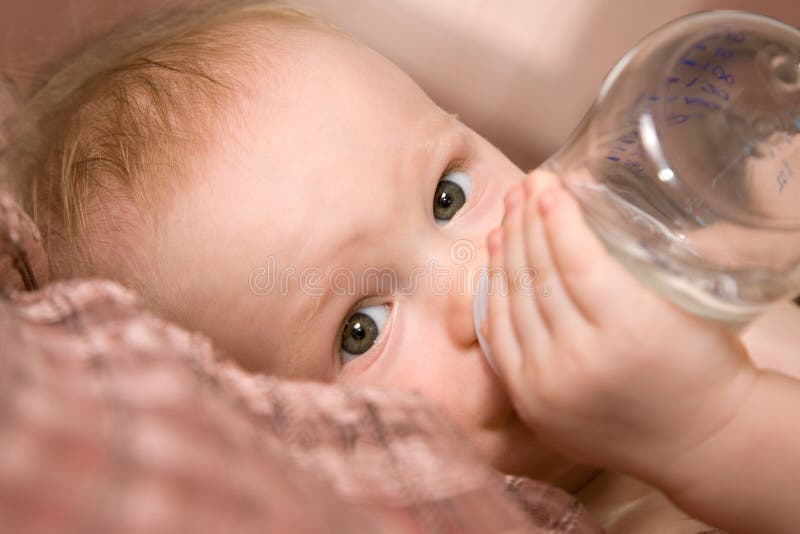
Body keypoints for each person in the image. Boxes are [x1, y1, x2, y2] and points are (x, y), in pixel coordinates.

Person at [4, 2, 799, 532]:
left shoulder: (695, 300)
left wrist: (718, 406)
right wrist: (707, 429)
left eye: (448, 195)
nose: (474, 280)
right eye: (360, 329)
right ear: (319, 442)